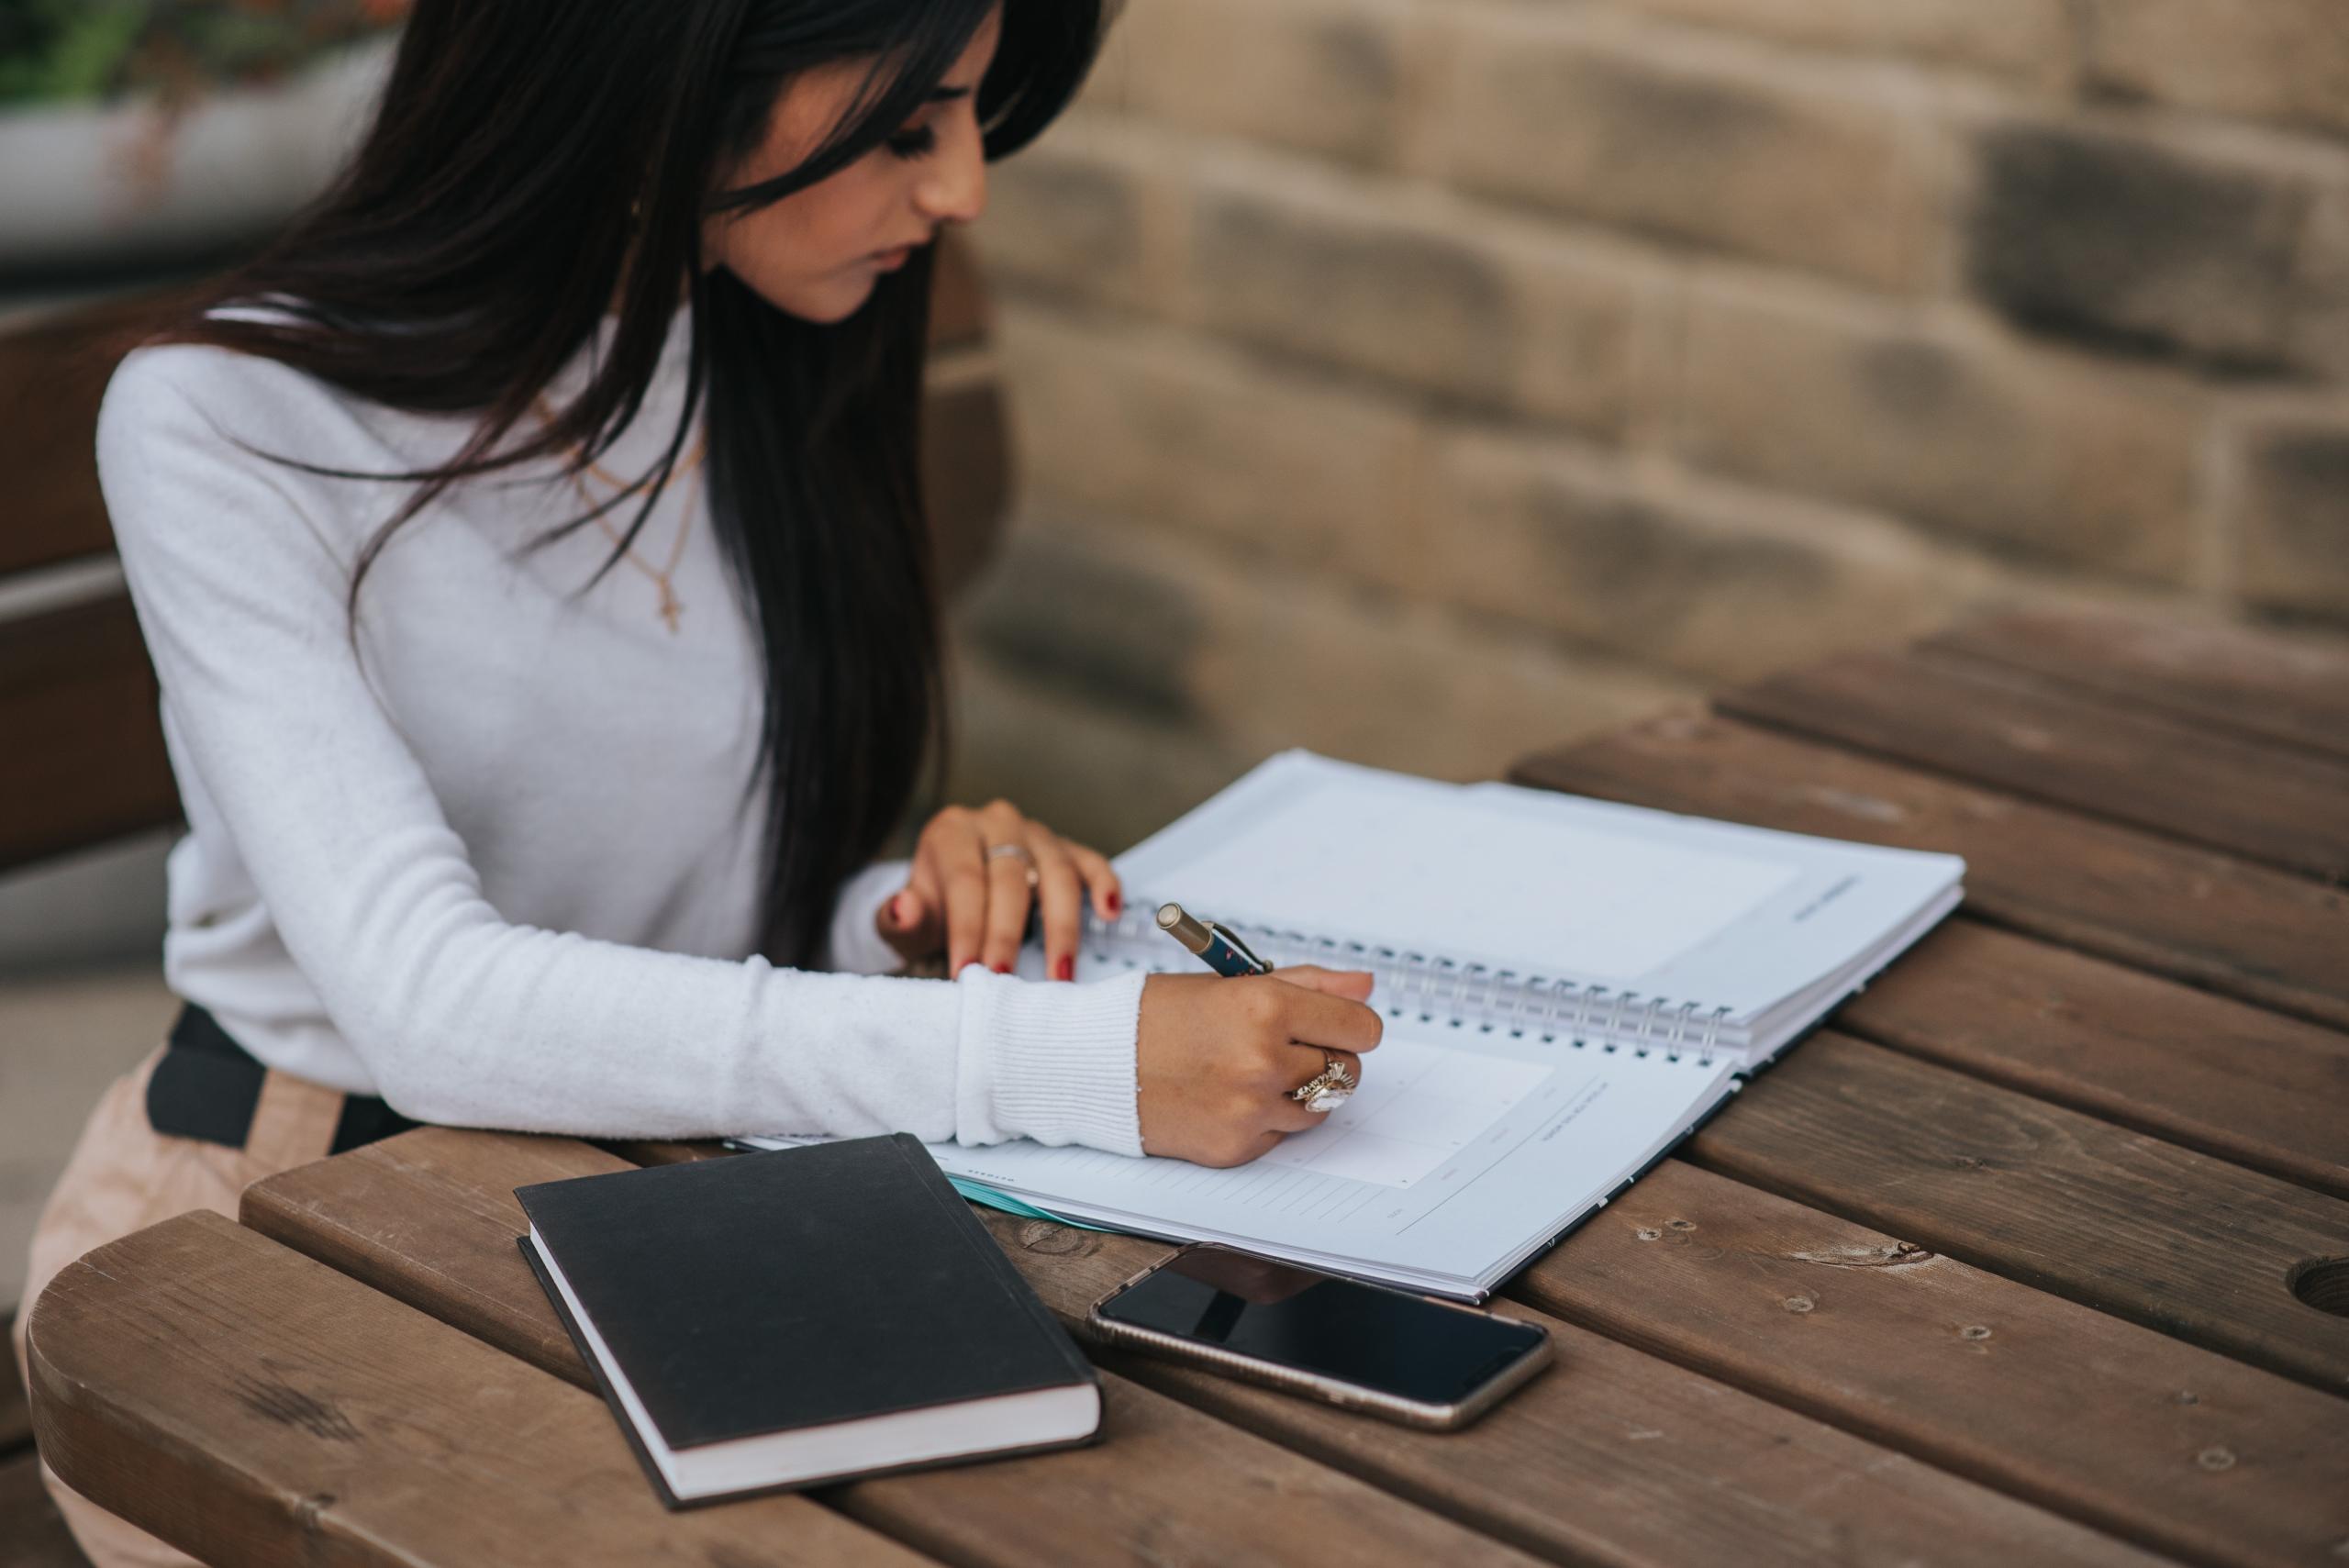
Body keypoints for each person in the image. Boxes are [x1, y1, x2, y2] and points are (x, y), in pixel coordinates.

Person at [12, 2, 1383, 1562]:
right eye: (903, 124)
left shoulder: (728, 335)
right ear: (667, 75)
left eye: (966, 120)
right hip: (279, 1220)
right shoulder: (228, 421)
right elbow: (428, 1003)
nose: (960, 193)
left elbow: (685, 894)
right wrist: (1078, 1060)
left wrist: (897, 918)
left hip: (666, 1198)